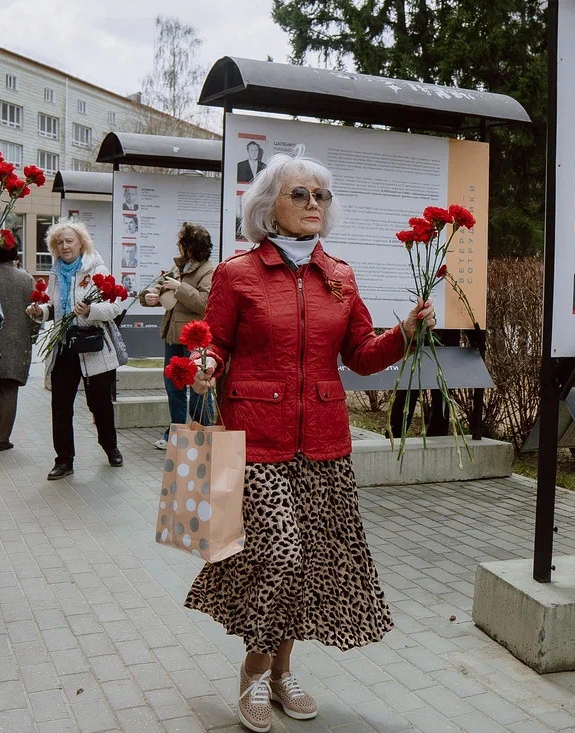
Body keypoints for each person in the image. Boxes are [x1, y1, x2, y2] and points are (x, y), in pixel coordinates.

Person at [184, 149, 434, 732]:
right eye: (300, 194)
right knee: (281, 556)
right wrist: (201, 363)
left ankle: (281, 673)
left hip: (323, 443)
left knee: (309, 565)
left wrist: (404, 335)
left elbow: (361, 354)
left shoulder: (340, 277)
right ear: (269, 207)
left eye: (320, 195)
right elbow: (213, 342)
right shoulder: (236, 274)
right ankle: (253, 673)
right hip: (255, 439)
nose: (314, 203)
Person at [26, 220, 129, 480]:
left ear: (80, 242)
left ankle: (110, 447)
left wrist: (90, 311)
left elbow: (115, 307)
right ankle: (64, 460)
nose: (64, 246)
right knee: (60, 405)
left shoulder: (96, 268)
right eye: (59, 243)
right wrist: (41, 312)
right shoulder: (55, 271)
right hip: (64, 346)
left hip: (92, 346)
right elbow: (55, 308)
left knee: (99, 404)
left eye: (68, 241)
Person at [139, 222, 217, 449]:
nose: (177, 245)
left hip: (193, 339)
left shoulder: (208, 270)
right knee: (174, 387)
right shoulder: (178, 268)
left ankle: (206, 430)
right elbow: (157, 289)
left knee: (198, 386)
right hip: (173, 336)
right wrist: (149, 297)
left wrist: (179, 287)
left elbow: (204, 303)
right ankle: (175, 430)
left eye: (181, 241)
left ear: (190, 245)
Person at [0, 244, 39, 451]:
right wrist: (32, 335)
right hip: (16, 341)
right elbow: (35, 311)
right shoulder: (26, 279)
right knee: (8, 387)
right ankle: (2, 438)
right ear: (14, 256)